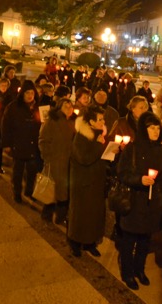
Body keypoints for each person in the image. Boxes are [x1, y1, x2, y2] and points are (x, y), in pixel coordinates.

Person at [117, 112, 162, 290]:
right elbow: (122, 173)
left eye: (157, 127)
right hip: (134, 201)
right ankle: (127, 271)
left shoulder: (160, 150)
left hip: (152, 202)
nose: (156, 131)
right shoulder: (133, 148)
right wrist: (140, 180)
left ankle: (140, 269)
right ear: (143, 129)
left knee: (145, 240)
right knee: (130, 239)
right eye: (151, 127)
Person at [67, 105, 108, 257]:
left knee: (94, 214)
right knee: (80, 215)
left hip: (96, 181)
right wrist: (99, 145)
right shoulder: (81, 136)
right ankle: (75, 242)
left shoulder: (99, 134)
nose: (103, 122)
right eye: (100, 119)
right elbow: (84, 159)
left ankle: (90, 242)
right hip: (82, 183)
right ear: (91, 122)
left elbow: (99, 155)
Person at [2, 80, 43, 204]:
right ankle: (17, 192)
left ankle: (29, 192)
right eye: (27, 93)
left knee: (32, 171)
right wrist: (6, 144)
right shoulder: (13, 107)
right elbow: (6, 126)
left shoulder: (38, 108)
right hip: (19, 144)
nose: (30, 96)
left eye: (32, 93)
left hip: (33, 145)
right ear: (22, 94)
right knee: (17, 173)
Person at [38, 98, 76, 224]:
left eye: (71, 106)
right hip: (56, 161)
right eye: (66, 105)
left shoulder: (73, 122)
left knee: (64, 192)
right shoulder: (52, 121)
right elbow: (43, 140)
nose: (69, 108)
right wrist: (47, 157)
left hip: (69, 162)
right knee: (52, 190)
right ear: (59, 107)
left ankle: (61, 216)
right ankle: (47, 214)